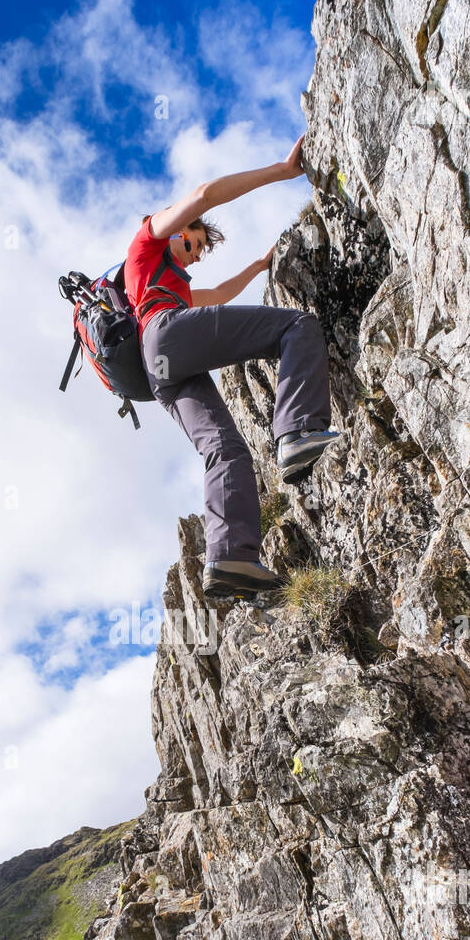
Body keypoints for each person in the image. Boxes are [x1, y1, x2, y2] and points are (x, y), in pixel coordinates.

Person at [123, 137, 340, 598]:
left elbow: (218, 296)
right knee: (297, 326)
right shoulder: (147, 241)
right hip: (166, 333)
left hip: (160, 370)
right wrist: (281, 172)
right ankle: (298, 430)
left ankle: (230, 557)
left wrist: (260, 267)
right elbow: (203, 195)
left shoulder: (169, 287)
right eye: (196, 242)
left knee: (227, 450)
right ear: (179, 228)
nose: (197, 254)